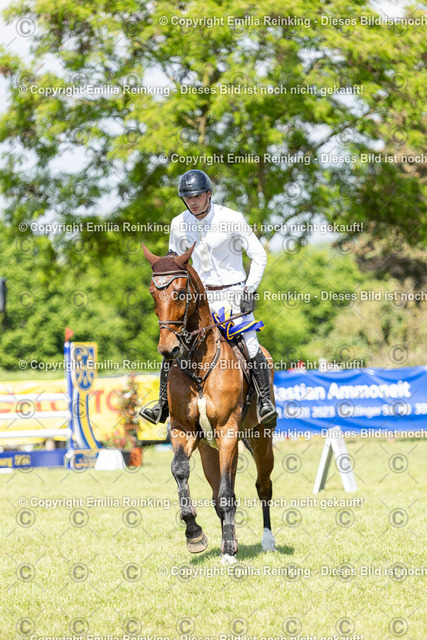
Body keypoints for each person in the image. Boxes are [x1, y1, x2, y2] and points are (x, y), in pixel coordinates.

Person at [140, 169, 278, 428]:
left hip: (232, 294)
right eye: (188, 197)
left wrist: (250, 290)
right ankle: (162, 405)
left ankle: (264, 403)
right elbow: (174, 263)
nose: (192, 202)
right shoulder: (178, 223)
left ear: (209, 194)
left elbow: (259, 255)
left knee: (250, 344)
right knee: (173, 343)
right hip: (198, 300)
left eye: (197, 196)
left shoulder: (232, 218)